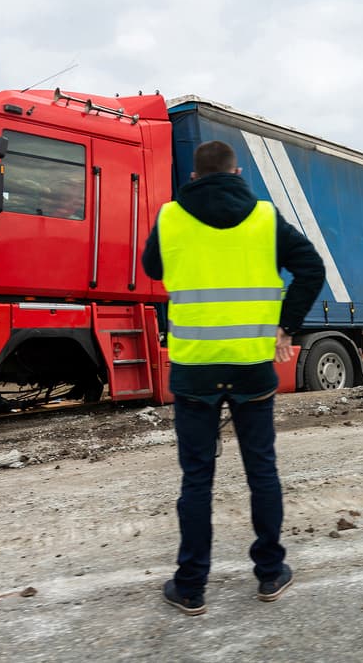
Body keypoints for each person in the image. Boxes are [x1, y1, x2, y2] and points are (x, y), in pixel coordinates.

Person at [142, 140, 325, 616]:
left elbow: (152, 268)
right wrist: (287, 324)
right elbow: (311, 267)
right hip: (251, 367)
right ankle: (269, 574)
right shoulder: (266, 218)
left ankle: (191, 587)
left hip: (194, 370)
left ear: (197, 177)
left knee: (196, 480)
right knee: (261, 472)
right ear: (237, 171)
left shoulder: (170, 218)